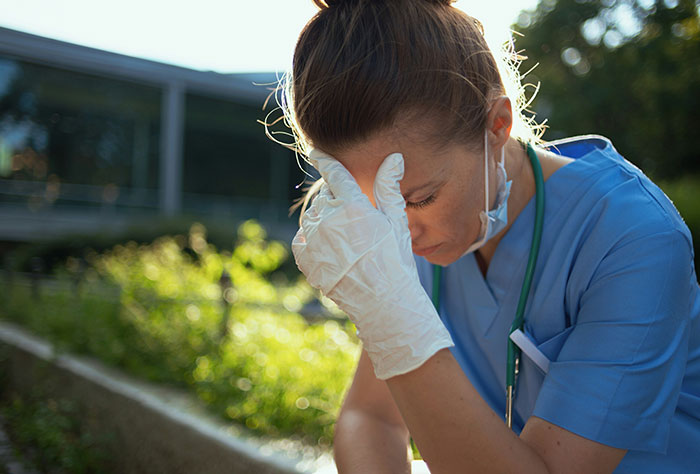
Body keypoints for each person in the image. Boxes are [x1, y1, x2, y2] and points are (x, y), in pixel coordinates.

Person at [283, 0, 700, 472]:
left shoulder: (635, 238)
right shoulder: (419, 233)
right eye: (376, 206)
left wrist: (395, 327)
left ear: (498, 124)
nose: (401, 230)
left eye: (417, 199)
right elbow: (370, 417)